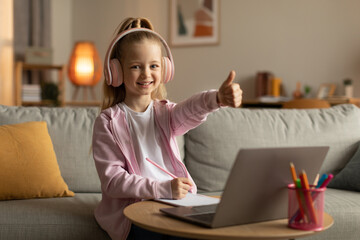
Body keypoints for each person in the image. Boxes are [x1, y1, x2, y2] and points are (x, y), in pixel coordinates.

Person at [92, 17, 242, 240]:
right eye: (135, 66)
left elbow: (191, 108)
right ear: (116, 71)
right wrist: (162, 188)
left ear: (165, 69)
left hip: (174, 202)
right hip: (134, 210)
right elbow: (113, 182)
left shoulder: (166, 113)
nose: (146, 74)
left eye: (154, 66)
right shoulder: (108, 122)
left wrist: (217, 98)